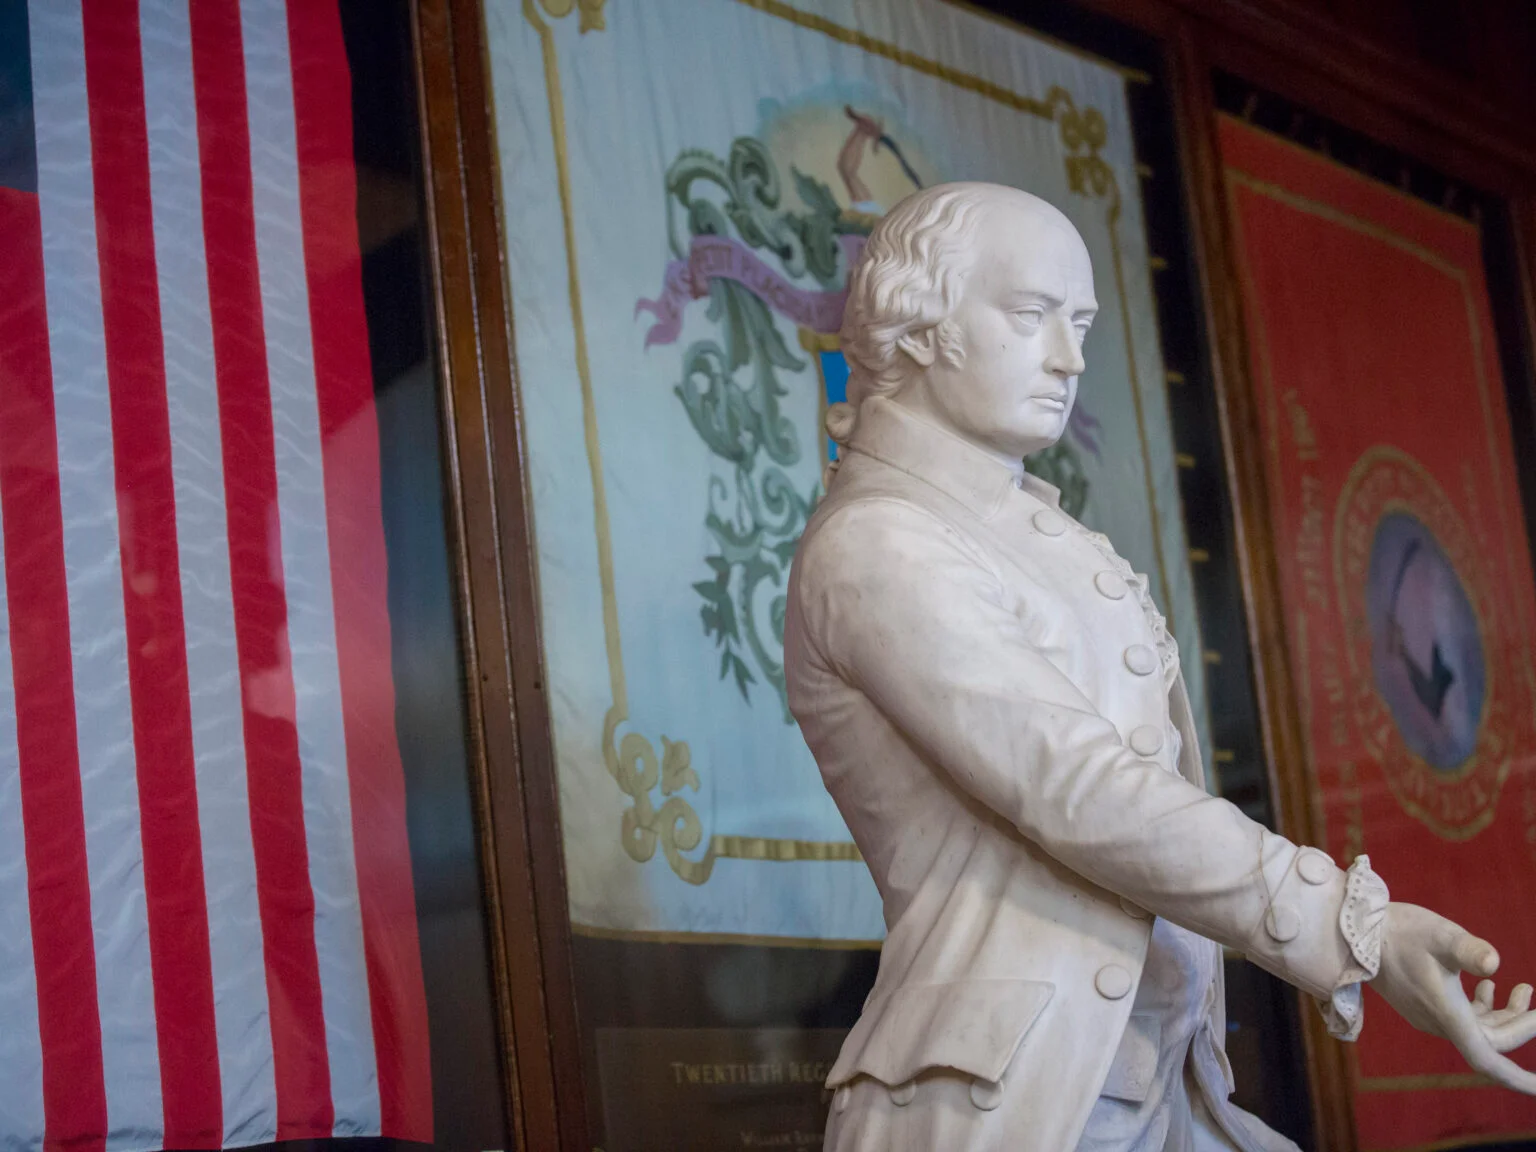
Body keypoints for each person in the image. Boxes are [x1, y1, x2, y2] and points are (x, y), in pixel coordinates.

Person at [783, 181, 1536, 1151]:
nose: (1069, 359)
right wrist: (1354, 928)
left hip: (1155, 1083)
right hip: (1013, 1100)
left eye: (1082, 324)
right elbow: (1077, 785)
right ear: (921, 326)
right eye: (1031, 315)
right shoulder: (880, 543)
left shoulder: (1018, 529)